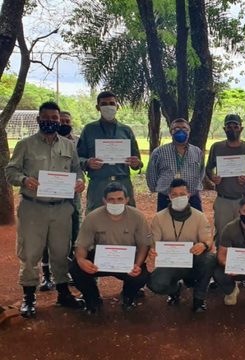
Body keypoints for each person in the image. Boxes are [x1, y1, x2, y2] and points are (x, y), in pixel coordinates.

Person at [5, 101, 86, 318]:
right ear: (38, 119)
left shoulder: (69, 146)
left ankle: (63, 293)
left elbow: (77, 170)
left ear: (59, 121)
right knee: (30, 253)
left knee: (60, 252)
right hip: (33, 208)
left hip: (61, 209)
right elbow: (10, 171)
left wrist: (80, 182)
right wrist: (23, 179)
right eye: (46, 118)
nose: (50, 122)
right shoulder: (25, 144)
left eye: (55, 119)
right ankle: (29, 297)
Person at [70, 182, 152, 314]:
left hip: (128, 261)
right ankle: (93, 299)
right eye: (111, 199)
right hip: (101, 260)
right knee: (75, 267)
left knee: (141, 275)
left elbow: (144, 245)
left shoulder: (137, 217)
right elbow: (81, 245)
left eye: (120, 199)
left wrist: (137, 264)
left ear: (127, 200)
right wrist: (81, 260)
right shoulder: (93, 217)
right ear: (104, 201)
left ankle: (128, 296)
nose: (115, 203)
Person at [146, 179, 216, 313]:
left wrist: (203, 245)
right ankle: (175, 289)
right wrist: (153, 252)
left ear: (189, 195)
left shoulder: (199, 216)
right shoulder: (159, 218)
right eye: (175, 194)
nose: (179, 197)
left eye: (182, 194)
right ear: (169, 196)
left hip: (193, 260)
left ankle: (199, 300)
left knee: (210, 258)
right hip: (170, 263)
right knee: (155, 283)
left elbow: (208, 240)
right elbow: (154, 244)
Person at [77, 91, 143, 213]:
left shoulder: (126, 130)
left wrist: (136, 163)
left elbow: (138, 161)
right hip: (98, 184)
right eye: (104, 104)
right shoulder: (89, 130)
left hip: (123, 183)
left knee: (127, 218)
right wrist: (87, 162)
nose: (108, 106)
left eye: (112, 103)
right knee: (96, 219)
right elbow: (78, 158)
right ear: (98, 107)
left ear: (117, 106)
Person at [39, 110, 82, 291]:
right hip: (46, 197)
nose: (64, 123)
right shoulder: (39, 143)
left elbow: (79, 168)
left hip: (72, 196)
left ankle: (68, 271)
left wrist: (80, 180)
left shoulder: (77, 142)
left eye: (67, 121)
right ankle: (47, 276)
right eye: (61, 120)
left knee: (73, 233)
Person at [206, 114, 245, 243]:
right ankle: (221, 260)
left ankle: (242, 259)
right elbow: (208, 168)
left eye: (236, 126)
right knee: (222, 234)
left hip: (243, 199)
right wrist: (213, 178)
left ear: (241, 129)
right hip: (223, 199)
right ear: (224, 129)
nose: (232, 129)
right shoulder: (217, 147)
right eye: (229, 127)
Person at [147, 118, 205, 211]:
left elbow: (201, 172)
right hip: (166, 198)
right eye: (177, 129)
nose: (181, 131)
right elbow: (152, 174)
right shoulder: (159, 152)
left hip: (192, 198)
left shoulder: (197, 151)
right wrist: (157, 188)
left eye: (184, 128)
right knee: (166, 224)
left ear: (189, 132)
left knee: (194, 224)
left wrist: (194, 187)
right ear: (171, 132)